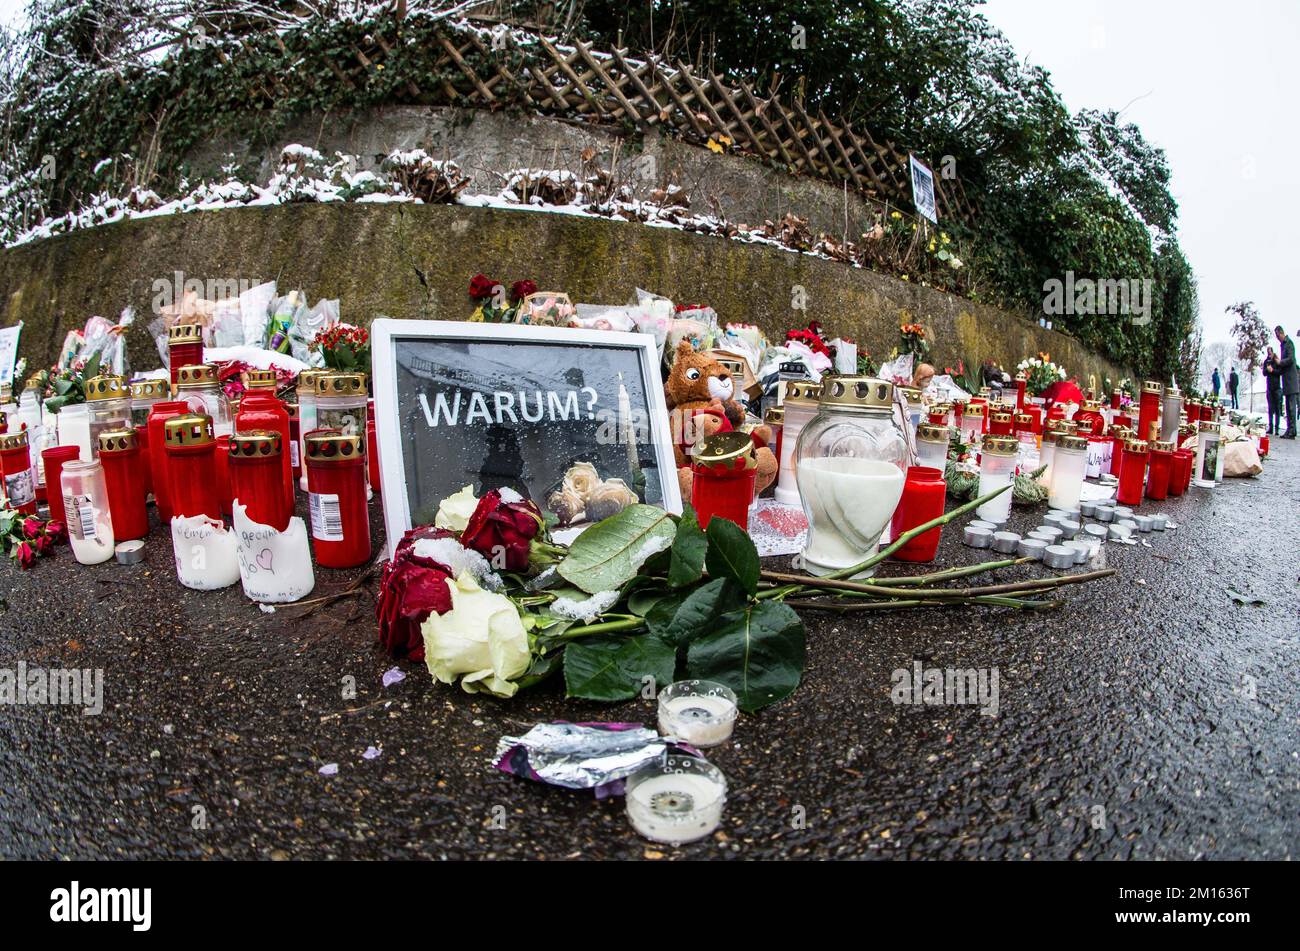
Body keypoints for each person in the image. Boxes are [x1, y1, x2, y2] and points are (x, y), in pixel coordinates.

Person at [1275, 326, 1298, 438]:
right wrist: (1275, 367)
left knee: (1291, 407)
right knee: (1288, 408)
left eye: (1278, 335)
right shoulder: (1283, 345)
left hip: (1291, 381)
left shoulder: (1289, 343)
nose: (1277, 338)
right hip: (1286, 380)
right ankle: (1289, 429)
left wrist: (1280, 362)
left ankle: (1292, 431)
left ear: (1281, 333)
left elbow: (1291, 359)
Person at [1263, 347, 1282, 435]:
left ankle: (1277, 428)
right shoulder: (1266, 361)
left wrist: (1273, 370)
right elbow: (1264, 373)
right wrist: (1267, 369)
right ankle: (1271, 427)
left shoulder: (1276, 361)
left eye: (1270, 352)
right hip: (1269, 387)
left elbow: (1280, 372)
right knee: (1270, 408)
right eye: (1268, 353)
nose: (1269, 354)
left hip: (1277, 387)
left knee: (1277, 408)